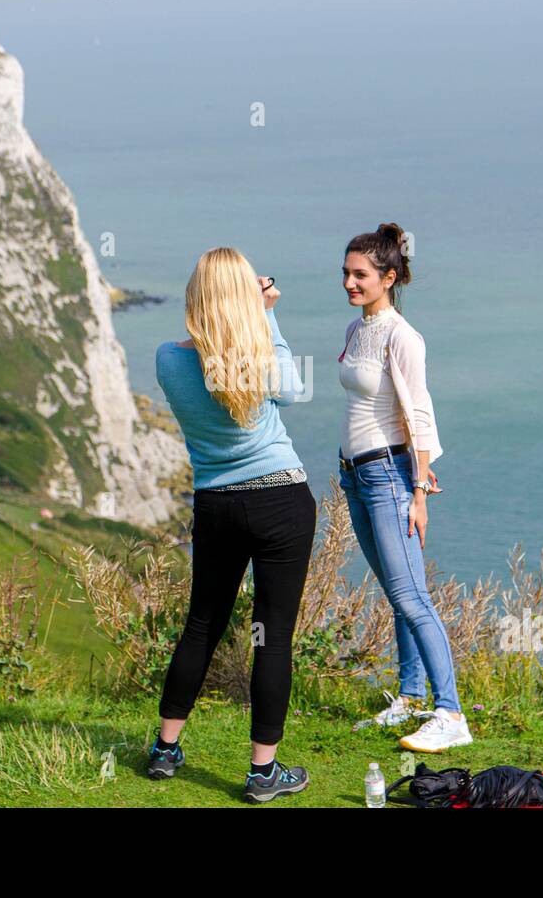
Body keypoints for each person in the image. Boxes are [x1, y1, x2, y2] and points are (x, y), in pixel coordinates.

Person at [148, 246, 317, 802]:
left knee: (202, 624)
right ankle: (262, 773)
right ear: (244, 294)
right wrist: (266, 313)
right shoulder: (255, 352)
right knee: (272, 638)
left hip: (216, 505)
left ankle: (166, 749)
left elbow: (205, 363)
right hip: (279, 500)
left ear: (195, 295)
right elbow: (293, 391)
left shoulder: (168, 359)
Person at [337, 223, 472, 753]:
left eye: (360, 275)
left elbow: (418, 410)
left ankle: (451, 714)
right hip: (355, 473)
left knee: (413, 598)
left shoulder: (402, 336)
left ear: (389, 277)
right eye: (346, 273)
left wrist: (418, 486)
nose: (349, 283)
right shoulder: (355, 331)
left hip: (390, 476)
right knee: (397, 595)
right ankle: (411, 699)